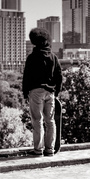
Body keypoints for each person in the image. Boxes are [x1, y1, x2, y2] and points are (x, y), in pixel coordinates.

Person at [22, 27, 63, 156]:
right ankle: (50, 150)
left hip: (36, 92)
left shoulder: (32, 57)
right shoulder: (53, 57)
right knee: (50, 121)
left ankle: (38, 150)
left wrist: (25, 92)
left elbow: (26, 76)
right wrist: (56, 91)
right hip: (50, 92)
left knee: (37, 120)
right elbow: (59, 76)